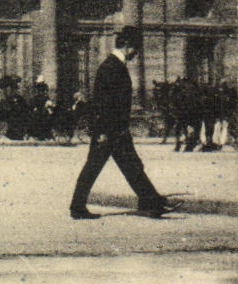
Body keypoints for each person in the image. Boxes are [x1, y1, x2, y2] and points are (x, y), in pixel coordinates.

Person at [70, 26, 176, 220]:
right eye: (135, 49)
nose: (136, 54)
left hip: (116, 129)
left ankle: (150, 201)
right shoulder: (112, 67)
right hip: (109, 130)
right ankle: (77, 207)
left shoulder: (114, 65)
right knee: (94, 167)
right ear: (127, 45)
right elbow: (104, 103)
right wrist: (104, 131)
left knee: (132, 165)